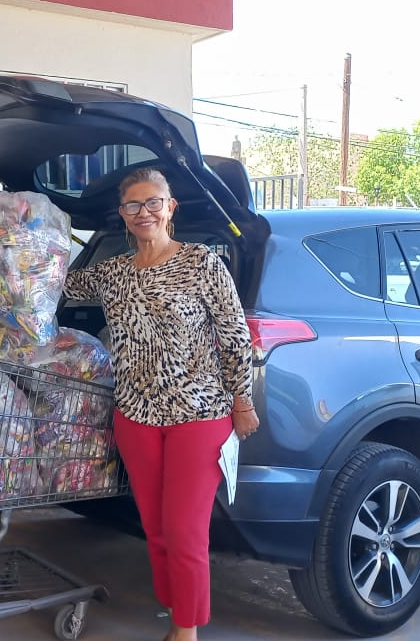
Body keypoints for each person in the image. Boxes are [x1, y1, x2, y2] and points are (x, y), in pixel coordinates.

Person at [63, 168, 259, 641]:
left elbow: (234, 336)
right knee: (155, 527)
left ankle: (186, 632)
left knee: (185, 530)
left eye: (154, 202)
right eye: (133, 205)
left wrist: (243, 400)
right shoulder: (111, 274)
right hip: (135, 415)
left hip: (199, 414)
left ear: (171, 207)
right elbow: (58, 283)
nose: (144, 212)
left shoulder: (202, 263)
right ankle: (176, 612)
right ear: (122, 214)